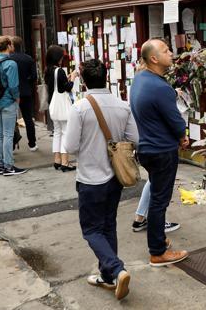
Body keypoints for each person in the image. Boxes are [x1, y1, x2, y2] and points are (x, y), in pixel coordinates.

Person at [63, 59, 136, 300]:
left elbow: (71, 146)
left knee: (92, 229)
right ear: (106, 76)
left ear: (83, 80)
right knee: (108, 225)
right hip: (115, 177)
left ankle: (116, 269)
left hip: (90, 178)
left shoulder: (81, 108)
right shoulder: (122, 105)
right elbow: (133, 137)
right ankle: (108, 275)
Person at [130, 38, 189, 267]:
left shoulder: (140, 79)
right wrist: (182, 136)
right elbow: (175, 122)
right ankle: (157, 251)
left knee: (156, 196)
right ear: (154, 58)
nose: (171, 53)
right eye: (166, 50)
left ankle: (158, 239)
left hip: (146, 147)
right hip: (162, 150)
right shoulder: (160, 87)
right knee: (159, 201)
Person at [0, 36, 27, 176]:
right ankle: (9, 166)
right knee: (8, 135)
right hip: (7, 102)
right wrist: (17, 99)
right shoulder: (11, 63)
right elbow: (13, 86)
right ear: (9, 45)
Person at [45, 45, 77, 172]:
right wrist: (73, 77)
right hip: (62, 107)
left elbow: (57, 86)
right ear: (58, 58)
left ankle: (57, 160)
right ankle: (65, 162)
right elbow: (67, 88)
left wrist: (67, 78)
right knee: (65, 133)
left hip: (53, 106)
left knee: (57, 133)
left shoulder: (48, 70)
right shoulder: (60, 71)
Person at [10, 36, 38, 151]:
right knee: (28, 118)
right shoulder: (28, 59)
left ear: (12, 45)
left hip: (11, 93)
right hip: (26, 91)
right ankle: (32, 143)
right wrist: (27, 83)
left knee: (11, 118)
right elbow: (34, 77)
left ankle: (11, 144)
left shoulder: (9, 59)